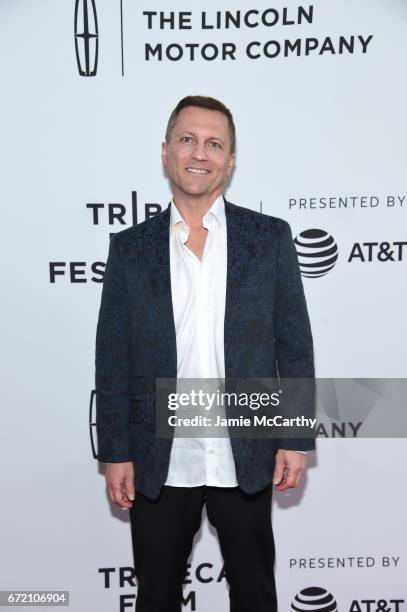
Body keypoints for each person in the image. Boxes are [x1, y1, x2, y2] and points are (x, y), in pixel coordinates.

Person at [95, 95, 315, 611]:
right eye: (188, 140)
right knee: (155, 597)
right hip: (158, 457)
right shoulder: (131, 248)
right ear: (166, 151)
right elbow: (113, 358)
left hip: (245, 450)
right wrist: (116, 451)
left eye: (215, 144)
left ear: (230, 160)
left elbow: (295, 344)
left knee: (256, 595)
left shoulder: (270, 239)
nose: (200, 153)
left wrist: (295, 437)